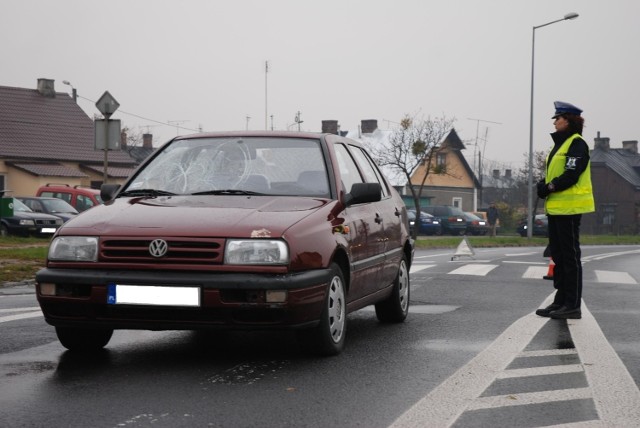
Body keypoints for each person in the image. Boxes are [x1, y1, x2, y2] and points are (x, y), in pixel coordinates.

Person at [535, 101, 595, 320]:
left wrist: (549, 187)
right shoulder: (560, 145)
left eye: (558, 118)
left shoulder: (576, 144)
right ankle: (560, 300)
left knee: (570, 258)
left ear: (569, 120)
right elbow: (555, 174)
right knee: (559, 256)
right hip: (557, 209)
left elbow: (571, 175)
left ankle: (572, 304)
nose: (555, 121)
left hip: (569, 209)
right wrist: (543, 184)